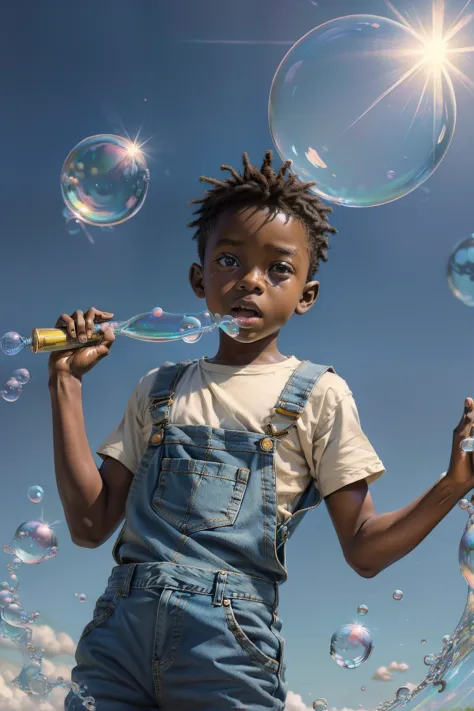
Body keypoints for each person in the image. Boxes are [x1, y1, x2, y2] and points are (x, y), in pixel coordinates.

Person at [49, 151, 474, 711]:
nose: (250, 280)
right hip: (115, 643)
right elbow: (88, 524)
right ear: (199, 280)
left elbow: (365, 550)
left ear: (306, 295)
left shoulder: (319, 394)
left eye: (278, 268)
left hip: (229, 648)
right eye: (229, 260)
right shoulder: (159, 386)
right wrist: (66, 385)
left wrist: (454, 483)